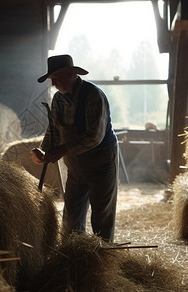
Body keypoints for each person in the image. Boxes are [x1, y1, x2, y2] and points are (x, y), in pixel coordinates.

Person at [30, 54, 118, 243]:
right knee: (71, 218)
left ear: (71, 74)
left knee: (102, 217)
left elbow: (94, 137)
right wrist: (44, 150)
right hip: (76, 166)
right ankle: (73, 255)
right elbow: (53, 129)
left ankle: (104, 261)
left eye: (56, 78)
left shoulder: (93, 96)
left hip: (100, 163)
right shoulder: (58, 100)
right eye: (52, 80)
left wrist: (62, 150)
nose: (54, 84)